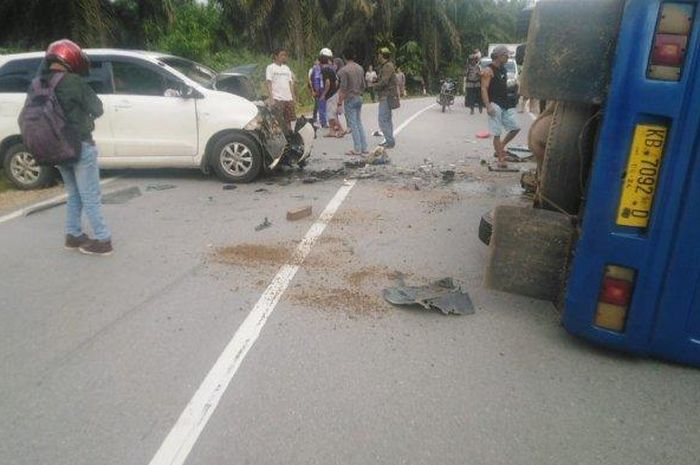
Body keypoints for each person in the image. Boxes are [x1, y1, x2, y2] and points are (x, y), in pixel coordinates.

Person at [44, 39, 112, 255]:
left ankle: (72, 235)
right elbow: (98, 109)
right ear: (70, 58)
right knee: (90, 194)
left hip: (56, 147)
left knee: (74, 193)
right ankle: (103, 240)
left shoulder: (40, 83)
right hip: (80, 146)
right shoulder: (74, 82)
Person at [481, 45, 520, 169]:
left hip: (505, 103)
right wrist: (488, 106)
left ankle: (501, 147)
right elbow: (484, 88)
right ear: (498, 56)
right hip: (494, 104)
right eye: (505, 55)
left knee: (515, 128)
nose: (507, 57)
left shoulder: (503, 69)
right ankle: (500, 159)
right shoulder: (488, 70)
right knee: (496, 133)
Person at [337, 48, 368, 156]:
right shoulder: (360, 68)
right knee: (359, 122)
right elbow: (364, 85)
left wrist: (339, 103)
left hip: (350, 98)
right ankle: (364, 148)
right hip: (359, 97)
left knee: (353, 124)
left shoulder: (343, 71)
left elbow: (343, 89)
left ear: (345, 57)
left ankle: (357, 149)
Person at [266, 48, 296, 132]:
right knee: (278, 120)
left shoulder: (286, 68)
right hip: (277, 98)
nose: (284, 57)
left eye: (285, 55)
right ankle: (281, 139)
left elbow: (290, 83)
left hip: (288, 98)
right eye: (281, 55)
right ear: (276, 56)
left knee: (288, 120)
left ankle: (290, 136)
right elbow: (268, 83)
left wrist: (293, 96)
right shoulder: (270, 67)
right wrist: (271, 98)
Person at [375, 47, 398, 148]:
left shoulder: (388, 66)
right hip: (386, 96)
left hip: (386, 96)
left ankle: (389, 141)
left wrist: (374, 86)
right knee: (387, 119)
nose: (378, 56)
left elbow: (384, 82)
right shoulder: (385, 66)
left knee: (383, 119)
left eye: (379, 54)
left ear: (382, 55)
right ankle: (389, 140)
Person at [319, 55, 343, 138]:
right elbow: (336, 82)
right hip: (335, 93)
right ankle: (331, 131)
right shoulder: (332, 70)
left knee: (332, 114)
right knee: (330, 113)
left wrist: (324, 94)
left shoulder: (324, 70)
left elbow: (327, 83)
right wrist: (335, 90)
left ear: (320, 62)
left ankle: (341, 129)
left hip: (330, 95)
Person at [307, 58, 326, 127]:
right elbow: (310, 81)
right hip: (315, 89)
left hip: (321, 89)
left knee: (319, 104)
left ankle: (321, 118)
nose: (318, 62)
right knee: (317, 103)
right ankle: (315, 117)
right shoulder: (312, 70)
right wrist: (312, 90)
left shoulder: (321, 68)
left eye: (319, 60)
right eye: (317, 60)